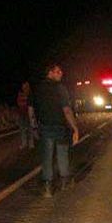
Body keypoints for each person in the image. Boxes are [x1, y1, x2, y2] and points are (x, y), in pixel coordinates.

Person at [28, 63, 80, 197]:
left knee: (47, 157)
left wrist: (33, 126)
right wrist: (75, 128)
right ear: (49, 73)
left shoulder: (36, 88)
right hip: (60, 127)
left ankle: (47, 188)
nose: (61, 73)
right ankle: (65, 182)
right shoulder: (60, 88)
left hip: (44, 127)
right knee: (62, 154)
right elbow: (67, 110)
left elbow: (31, 109)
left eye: (60, 71)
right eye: (57, 72)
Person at [16, 81, 34, 149]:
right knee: (22, 129)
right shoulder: (20, 94)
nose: (24, 87)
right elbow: (19, 102)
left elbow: (30, 103)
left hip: (28, 113)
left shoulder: (30, 94)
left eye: (25, 86)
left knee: (30, 128)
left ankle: (31, 143)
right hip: (21, 113)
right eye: (23, 86)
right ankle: (24, 143)